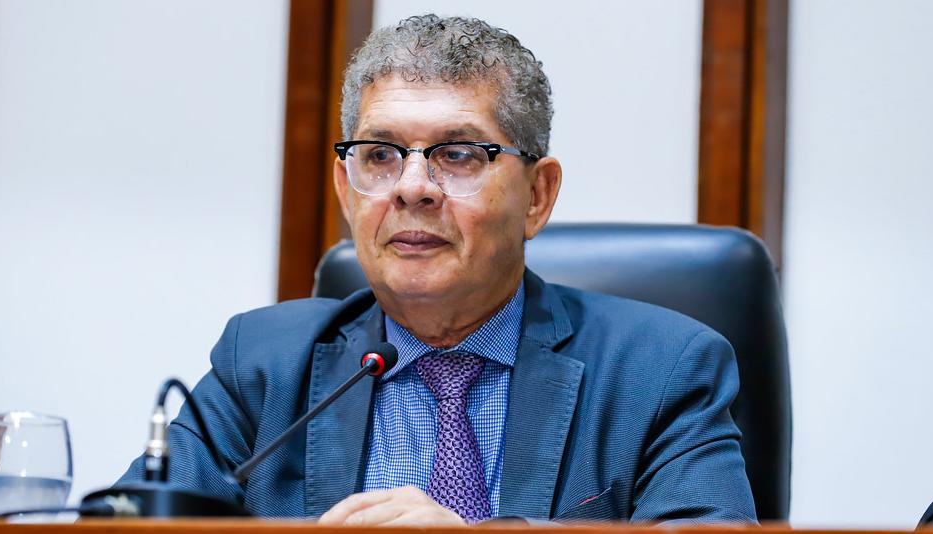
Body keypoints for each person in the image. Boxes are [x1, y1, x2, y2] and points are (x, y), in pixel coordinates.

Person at [119, 14, 756, 524]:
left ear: (537, 196)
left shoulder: (662, 370)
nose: (412, 188)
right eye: (380, 155)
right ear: (345, 191)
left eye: (458, 154)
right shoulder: (261, 365)